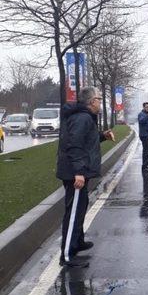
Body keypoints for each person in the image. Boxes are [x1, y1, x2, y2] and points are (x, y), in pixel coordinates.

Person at [56, 86, 115, 267]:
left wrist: (103, 136)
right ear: (91, 102)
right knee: (73, 212)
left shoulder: (86, 118)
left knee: (80, 208)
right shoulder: (82, 118)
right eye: (98, 99)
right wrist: (79, 172)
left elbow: (87, 140)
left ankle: (77, 242)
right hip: (76, 174)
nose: (100, 102)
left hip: (79, 171)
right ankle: (66, 256)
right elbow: (74, 145)